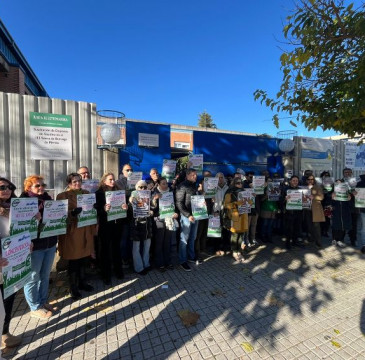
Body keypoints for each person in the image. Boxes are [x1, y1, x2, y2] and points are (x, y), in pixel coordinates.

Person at [20, 175, 57, 319]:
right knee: (33, 277)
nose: (41, 188)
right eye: (37, 186)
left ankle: (43, 301)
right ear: (29, 188)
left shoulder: (48, 199)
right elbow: (18, 225)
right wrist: (32, 219)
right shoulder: (23, 202)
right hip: (35, 246)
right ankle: (34, 307)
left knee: (45, 275)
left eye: (42, 185)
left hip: (50, 243)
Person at [56, 173, 96, 300]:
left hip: (86, 229)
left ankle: (82, 282)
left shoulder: (86, 193)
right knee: (74, 261)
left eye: (79, 181)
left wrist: (92, 209)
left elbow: (91, 210)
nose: (77, 183)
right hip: (73, 232)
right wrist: (72, 213)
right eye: (74, 182)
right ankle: (73, 286)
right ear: (69, 183)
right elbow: (58, 214)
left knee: (84, 258)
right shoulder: (62, 196)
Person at [0, 177, 22, 349]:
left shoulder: (15, 207)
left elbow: (22, 229)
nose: (6, 189)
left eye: (9, 187)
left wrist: (26, 242)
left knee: (9, 299)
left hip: (13, 260)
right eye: (1, 187)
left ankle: (5, 333)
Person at [95, 173, 127, 284]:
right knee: (105, 251)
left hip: (117, 225)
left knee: (116, 249)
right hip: (105, 226)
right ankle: (105, 274)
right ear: (104, 181)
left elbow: (125, 207)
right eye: (110, 179)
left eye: (114, 179)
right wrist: (103, 209)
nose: (113, 181)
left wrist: (125, 207)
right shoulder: (99, 194)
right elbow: (95, 211)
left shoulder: (119, 192)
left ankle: (118, 271)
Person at [150, 177, 178, 271]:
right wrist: (154, 199)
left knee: (168, 242)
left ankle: (168, 262)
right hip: (159, 220)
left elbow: (176, 205)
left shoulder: (171, 193)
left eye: (166, 183)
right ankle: (159, 263)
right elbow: (152, 209)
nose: (165, 185)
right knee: (159, 242)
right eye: (163, 183)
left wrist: (175, 213)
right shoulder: (154, 193)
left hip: (169, 219)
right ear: (158, 184)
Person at [175, 168, 199, 272]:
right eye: (193, 175)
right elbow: (179, 203)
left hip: (196, 215)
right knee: (184, 239)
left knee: (192, 237)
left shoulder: (195, 185)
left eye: (196, 175)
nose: (195, 176)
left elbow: (197, 200)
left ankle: (191, 257)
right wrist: (188, 215)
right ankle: (182, 261)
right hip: (187, 216)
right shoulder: (182, 186)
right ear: (188, 175)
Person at [129, 180, 152, 275]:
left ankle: (146, 264)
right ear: (136, 188)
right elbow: (130, 208)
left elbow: (153, 207)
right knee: (136, 247)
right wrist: (131, 201)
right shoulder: (132, 196)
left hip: (147, 224)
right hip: (136, 224)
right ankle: (139, 267)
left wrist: (152, 209)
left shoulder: (149, 196)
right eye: (140, 187)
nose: (142, 189)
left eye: (144, 187)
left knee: (147, 245)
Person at [223, 177, 248, 262]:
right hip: (234, 216)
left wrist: (251, 198)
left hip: (243, 215)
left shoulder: (245, 192)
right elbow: (226, 205)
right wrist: (238, 203)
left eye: (240, 183)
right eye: (237, 183)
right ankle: (234, 252)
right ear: (233, 183)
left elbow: (250, 204)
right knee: (235, 235)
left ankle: (239, 251)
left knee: (241, 234)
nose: (239, 184)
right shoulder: (229, 192)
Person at [281, 175, 304, 250]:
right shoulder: (285, 189)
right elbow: (280, 200)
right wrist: (284, 199)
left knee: (297, 228)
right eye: (293, 180)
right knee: (289, 229)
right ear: (290, 181)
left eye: (296, 181)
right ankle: (288, 243)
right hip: (289, 212)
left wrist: (305, 199)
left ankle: (295, 242)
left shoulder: (300, 190)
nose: (295, 182)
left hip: (298, 212)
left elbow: (303, 201)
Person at [302, 175, 325, 248]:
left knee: (316, 226)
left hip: (315, 209)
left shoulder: (317, 187)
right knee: (309, 225)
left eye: (312, 179)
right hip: (306, 208)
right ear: (306, 180)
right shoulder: (303, 188)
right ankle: (312, 239)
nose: (310, 180)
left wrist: (313, 197)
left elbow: (321, 197)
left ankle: (319, 242)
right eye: (308, 179)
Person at [331, 180, 352, 248]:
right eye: (337, 183)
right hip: (335, 211)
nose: (339, 185)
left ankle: (340, 240)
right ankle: (334, 239)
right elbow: (328, 203)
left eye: (340, 183)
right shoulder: (332, 193)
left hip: (345, 212)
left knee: (343, 226)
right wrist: (332, 198)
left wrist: (349, 199)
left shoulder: (347, 193)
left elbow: (351, 205)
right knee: (335, 225)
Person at [213, 172, 230, 255]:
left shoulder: (227, 187)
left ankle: (225, 247)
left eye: (221, 177)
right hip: (216, 212)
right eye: (218, 177)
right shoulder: (213, 188)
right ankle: (217, 248)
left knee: (225, 230)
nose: (220, 179)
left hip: (225, 211)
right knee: (216, 231)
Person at [342, 168, 358, 246]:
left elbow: (360, 194)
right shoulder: (339, 182)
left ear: (351, 173)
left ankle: (353, 240)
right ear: (343, 174)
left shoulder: (356, 183)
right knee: (342, 223)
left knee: (353, 225)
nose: (347, 173)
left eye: (349, 172)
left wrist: (356, 193)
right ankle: (341, 239)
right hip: (342, 206)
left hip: (353, 207)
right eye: (346, 172)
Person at [356, 174, 365, 253]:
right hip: (363, 209)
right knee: (363, 229)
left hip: (363, 209)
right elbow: (358, 197)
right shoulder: (360, 183)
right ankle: (364, 245)